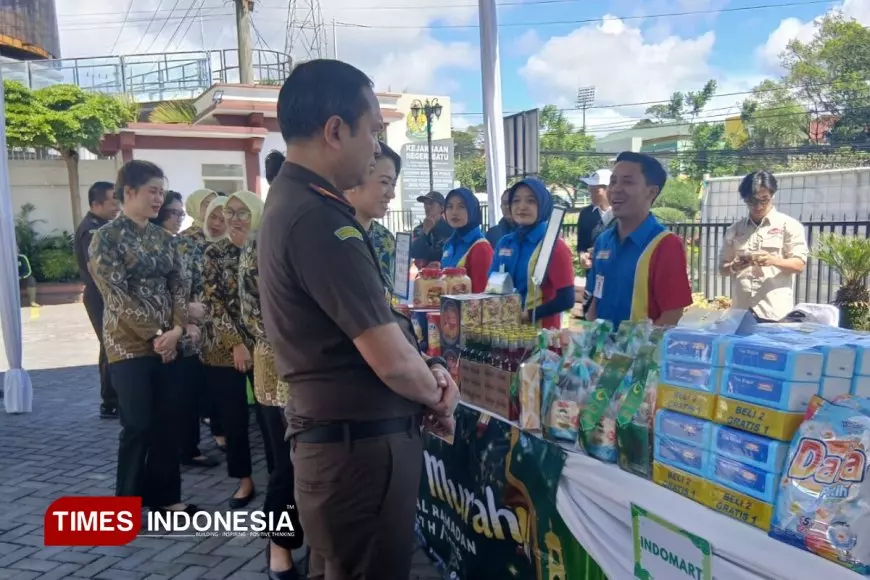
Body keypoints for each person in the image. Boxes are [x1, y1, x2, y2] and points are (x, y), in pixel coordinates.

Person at [257, 59, 459, 580]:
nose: (374, 147)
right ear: (334, 130)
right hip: (358, 455)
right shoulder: (320, 219)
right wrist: (436, 389)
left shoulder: (297, 203)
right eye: (372, 131)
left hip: (342, 445)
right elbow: (389, 359)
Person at [88, 160, 197, 514]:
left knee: (169, 423)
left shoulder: (165, 239)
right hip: (128, 345)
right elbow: (115, 295)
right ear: (128, 192)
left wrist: (177, 330)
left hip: (168, 342)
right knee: (138, 425)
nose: (158, 199)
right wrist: (156, 336)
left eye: (162, 192)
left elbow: (179, 286)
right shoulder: (104, 238)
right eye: (152, 191)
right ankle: (128, 504)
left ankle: (166, 497)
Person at [239, 162, 304, 580]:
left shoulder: (309, 224)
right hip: (279, 367)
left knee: (305, 463)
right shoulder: (263, 235)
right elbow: (251, 311)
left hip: (309, 368)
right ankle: (277, 550)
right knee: (287, 464)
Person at [200, 192, 266, 508]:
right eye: (230, 212)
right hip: (224, 348)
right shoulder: (214, 252)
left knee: (270, 416)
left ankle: (281, 476)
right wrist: (237, 344)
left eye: (243, 212)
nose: (236, 219)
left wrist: (246, 250)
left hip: (265, 345)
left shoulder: (267, 249)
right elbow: (213, 301)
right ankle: (244, 480)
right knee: (234, 417)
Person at [151, 191, 219, 468]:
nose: (179, 219)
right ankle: (176, 453)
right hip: (159, 334)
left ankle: (189, 448)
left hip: (188, 332)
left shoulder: (184, 246)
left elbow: (195, 285)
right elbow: (152, 294)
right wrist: (183, 315)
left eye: (181, 213)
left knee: (189, 393)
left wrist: (195, 312)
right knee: (169, 400)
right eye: (173, 213)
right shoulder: (150, 249)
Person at [586, 152, 693, 329]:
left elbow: (672, 314)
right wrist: (590, 341)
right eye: (613, 181)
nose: (616, 189)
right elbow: (597, 299)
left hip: (640, 355)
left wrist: (639, 352)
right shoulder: (603, 241)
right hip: (601, 352)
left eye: (627, 182)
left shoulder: (665, 244)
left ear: (651, 192)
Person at [719, 170, 808, 322]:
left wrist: (772, 260)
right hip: (741, 312)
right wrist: (734, 266)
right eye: (752, 201)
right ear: (744, 199)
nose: (758, 206)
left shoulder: (789, 226)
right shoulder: (735, 230)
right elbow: (722, 269)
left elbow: (799, 265)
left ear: (772, 195)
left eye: (764, 200)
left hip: (774, 313)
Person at [489, 178, 575, 329]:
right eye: (516, 201)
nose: (522, 207)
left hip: (541, 338)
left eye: (531, 201)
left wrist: (527, 315)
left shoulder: (554, 246)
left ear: (543, 205)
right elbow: (491, 285)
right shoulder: (504, 243)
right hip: (504, 333)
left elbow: (566, 299)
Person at [74, 181, 121, 419]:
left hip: (108, 294)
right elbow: (96, 268)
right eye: (112, 199)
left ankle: (115, 396)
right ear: (96, 203)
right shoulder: (92, 229)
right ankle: (110, 401)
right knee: (109, 344)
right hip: (100, 294)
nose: (117, 204)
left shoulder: (105, 226)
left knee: (113, 342)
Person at [345, 142, 401, 290]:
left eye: (393, 184)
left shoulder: (386, 240)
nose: (391, 194)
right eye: (384, 182)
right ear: (353, 181)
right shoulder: (330, 234)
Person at [442, 187, 494, 292]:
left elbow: (481, 295)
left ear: (472, 210)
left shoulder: (480, 247)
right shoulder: (450, 243)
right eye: (449, 206)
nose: (454, 212)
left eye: (461, 206)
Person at [410, 190, 452, 267]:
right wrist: (425, 231)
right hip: (424, 276)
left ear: (442, 207)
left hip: (445, 275)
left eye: (431, 203)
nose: (427, 206)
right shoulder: (419, 229)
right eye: (425, 203)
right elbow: (414, 252)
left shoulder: (451, 229)